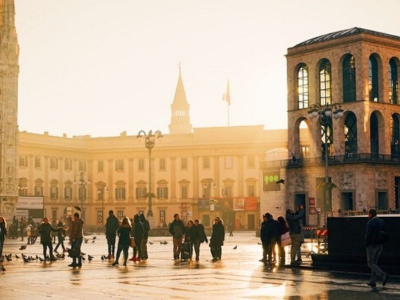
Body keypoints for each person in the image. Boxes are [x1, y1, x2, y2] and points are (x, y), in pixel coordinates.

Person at [365, 208, 389, 287]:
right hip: (380, 245)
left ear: (371, 214)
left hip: (372, 245)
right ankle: (373, 281)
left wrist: (366, 244)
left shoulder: (371, 222)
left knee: (370, 263)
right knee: (375, 263)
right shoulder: (381, 221)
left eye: (369, 214)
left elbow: (368, 234)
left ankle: (383, 275)